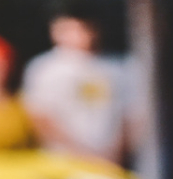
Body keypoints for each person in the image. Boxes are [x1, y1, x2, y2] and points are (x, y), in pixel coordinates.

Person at [22, 9, 126, 162]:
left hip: (112, 162)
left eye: (84, 28)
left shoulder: (119, 67)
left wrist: (115, 154)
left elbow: (132, 116)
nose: (78, 35)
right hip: (62, 161)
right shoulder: (43, 68)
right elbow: (40, 118)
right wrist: (84, 155)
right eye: (70, 29)